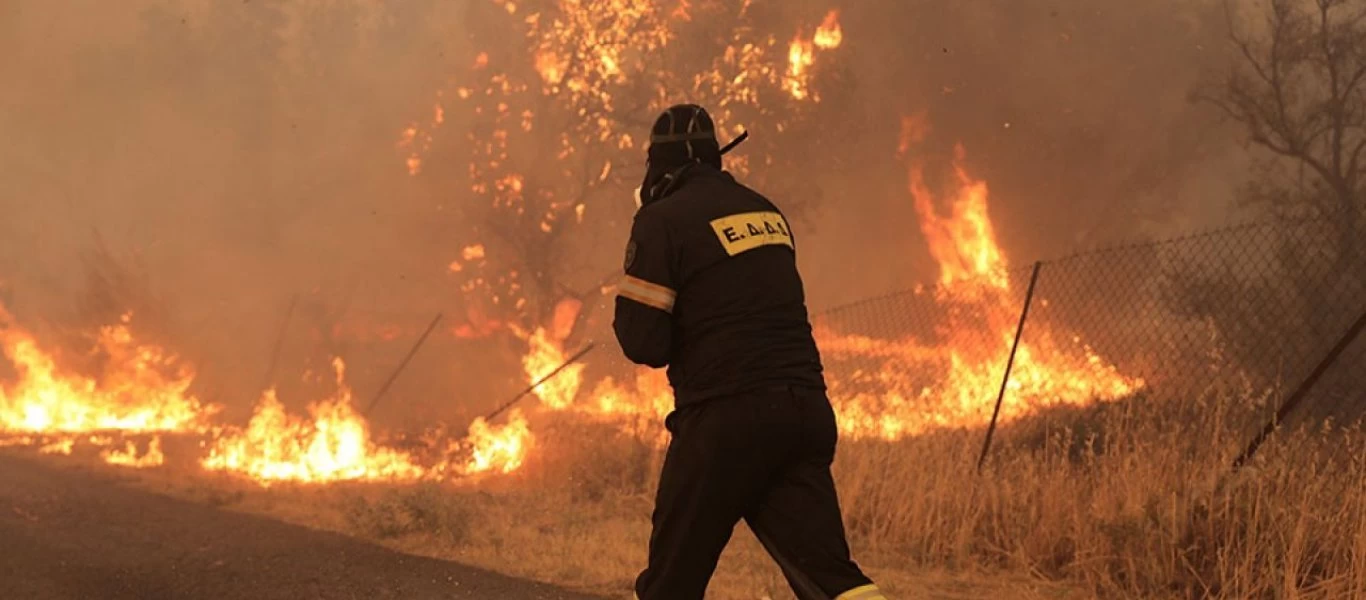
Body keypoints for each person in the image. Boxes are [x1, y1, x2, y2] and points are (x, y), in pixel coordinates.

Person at [613, 104, 886, 600]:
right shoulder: (765, 210)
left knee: (670, 586)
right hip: (805, 414)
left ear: (659, 165)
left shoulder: (662, 219)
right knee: (833, 580)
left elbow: (642, 342)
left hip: (725, 421)